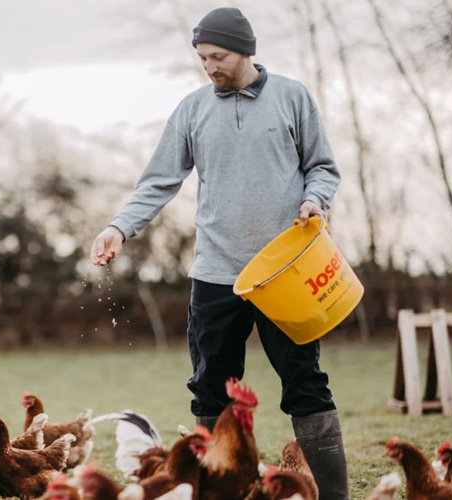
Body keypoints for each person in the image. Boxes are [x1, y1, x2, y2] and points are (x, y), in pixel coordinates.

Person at [89, 6, 349, 500]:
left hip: (286, 274)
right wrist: (119, 228)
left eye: (218, 56)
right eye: (202, 58)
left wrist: (315, 200)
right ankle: (214, 494)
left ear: (246, 50)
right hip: (216, 275)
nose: (209, 66)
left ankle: (336, 499)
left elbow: (322, 167)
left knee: (306, 384)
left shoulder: (293, 98)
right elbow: (158, 180)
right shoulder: (191, 109)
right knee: (210, 389)